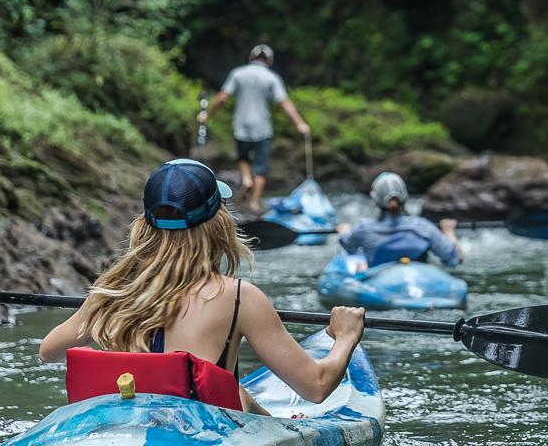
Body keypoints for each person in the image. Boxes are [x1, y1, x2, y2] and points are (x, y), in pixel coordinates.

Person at [38, 158, 364, 414]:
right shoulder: (238, 298)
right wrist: (346, 337)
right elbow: (316, 387)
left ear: (145, 224)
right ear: (219, 222)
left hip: (128, 437)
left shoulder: (113, 289)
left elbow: (49, 351)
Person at [199, 44, 308, 211]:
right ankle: (255, 203)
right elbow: (283, 102)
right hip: (262, 128)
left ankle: (246, 179)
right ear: (270, 61)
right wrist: (299, 122)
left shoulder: (238, 73)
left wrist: (207, 114)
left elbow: (222, 97)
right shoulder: (272, 77)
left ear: (251, 57)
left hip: (241, 125)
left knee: (243, 158)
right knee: (261, 167)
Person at [337, 171, 463, 267]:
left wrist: (344, 231)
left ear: (376, 201)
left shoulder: (364, 227)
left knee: (361, 266)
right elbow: (455, 258)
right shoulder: (423, 226)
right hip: (419, 287)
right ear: (405, 197)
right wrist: (449, 232)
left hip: (381, 287)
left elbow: (348, 246)